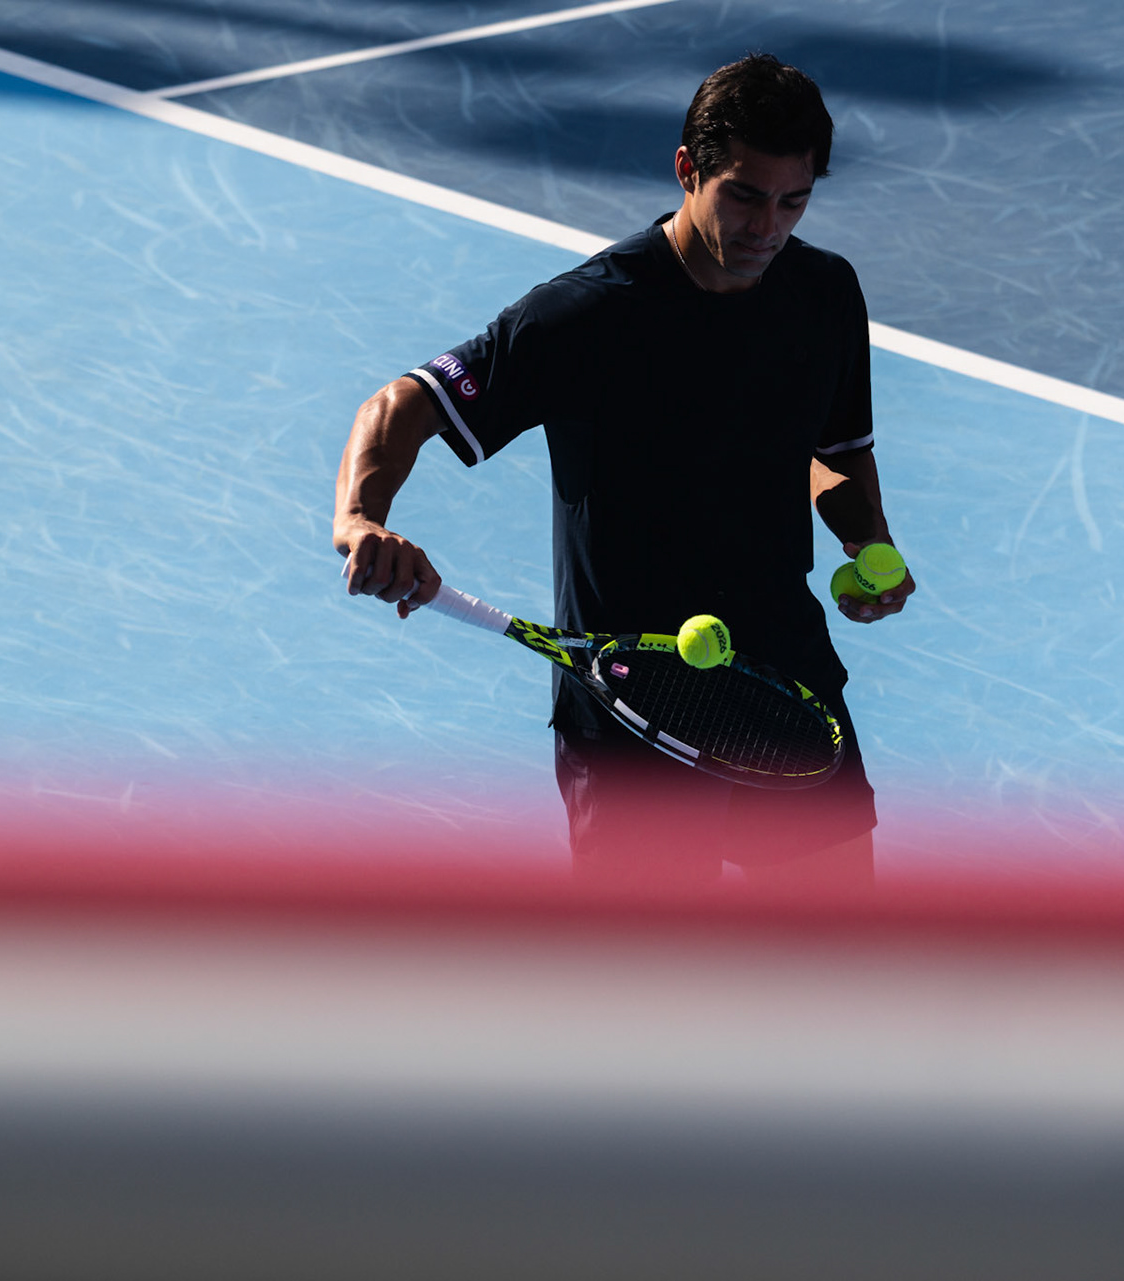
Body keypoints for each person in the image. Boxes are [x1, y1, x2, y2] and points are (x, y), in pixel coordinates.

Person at [331, 55, 913, 889]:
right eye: (743, 195)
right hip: (632, 709)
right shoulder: (587, 315)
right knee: (649, 1000)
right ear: (688, 169)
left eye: (794, 201)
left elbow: (837, 447)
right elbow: (402, 404)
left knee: (837, 969)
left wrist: (871, 543)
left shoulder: (822, 293)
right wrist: (360, 519)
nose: (768, 228)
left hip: (784, 688)